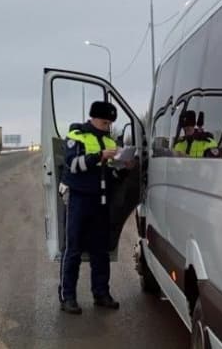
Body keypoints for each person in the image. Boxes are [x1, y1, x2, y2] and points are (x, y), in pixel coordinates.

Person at [58, 100, 126, 314]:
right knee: (73, 250)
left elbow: (111, 173)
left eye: (110, 124)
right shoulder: (76, 136)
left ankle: (101, 294)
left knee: (100, 251)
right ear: (94, 118)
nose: (107, 127)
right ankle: (68, 297)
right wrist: (99, 156)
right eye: (105, 122)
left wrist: (124, 165)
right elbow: (73, 164)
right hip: (79, 199)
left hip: (101, 201)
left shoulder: (109, 141)